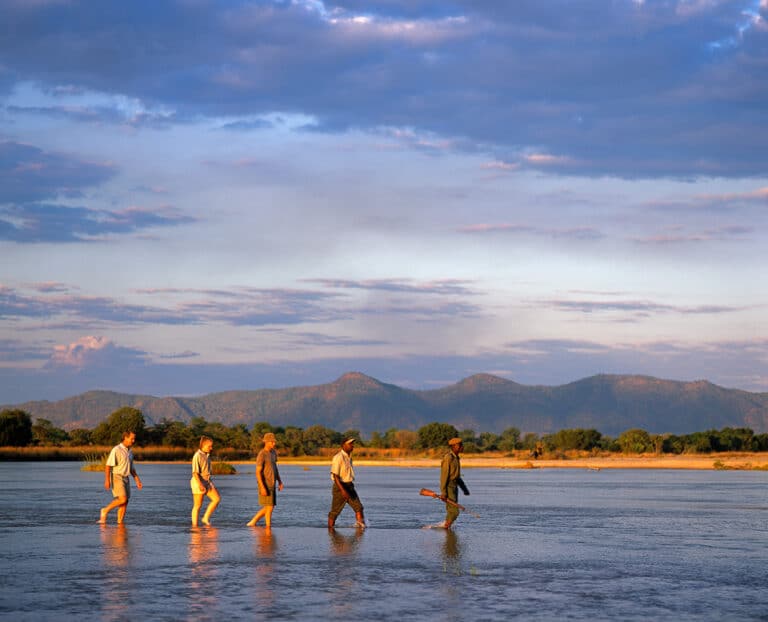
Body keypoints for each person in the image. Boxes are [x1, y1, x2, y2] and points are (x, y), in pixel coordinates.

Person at [99, 430, 142, 524]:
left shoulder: (130, 451)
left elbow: (131, 468)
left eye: (134, 439)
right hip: (116, 476)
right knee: (123, 499)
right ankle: (105, 510)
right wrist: (107, 480)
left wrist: (137, 480)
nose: (133, 441)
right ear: (125, 438)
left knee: (125, 503)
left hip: (126, 478)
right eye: (132, 439)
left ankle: (120, 524)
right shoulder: (116, 449)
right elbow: (108, 466)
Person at [247, 432, 284, 528]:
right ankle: (268, 527)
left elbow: (275, 468)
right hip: (265, 483)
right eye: (272, 442)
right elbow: (258, 472)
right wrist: (262, 487)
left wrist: (280, 481)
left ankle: (254, 522)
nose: (274, 444)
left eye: (274, 442)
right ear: (266, 442)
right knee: (269, 507)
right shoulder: (262, 454)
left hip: (273, 483)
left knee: (270, 506)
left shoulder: (273, 453)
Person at [328, 437, 366, 529]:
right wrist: (343, 491)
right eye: (350, 444)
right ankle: (330, 530)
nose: (352, 446)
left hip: (350, 486)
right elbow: (335, 476)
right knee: (334, 512)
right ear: (343, 445)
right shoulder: (338, 457)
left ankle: (360, 529)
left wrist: (347, 489)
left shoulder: (349, 457)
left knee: (359, 508)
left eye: (352, 444)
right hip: (340, 487)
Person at [440, 437, 469, 529]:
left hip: (454, 486)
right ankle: (446, 528)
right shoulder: (448, 458)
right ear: (455, 446)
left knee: (451, 512)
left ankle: (446, 528)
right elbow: (444, 476)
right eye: (460, 445)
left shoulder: (456, 458)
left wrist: (464, 489)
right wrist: (444, 492)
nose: (462, 447)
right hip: (448, 486)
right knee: (455, 511)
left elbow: (457, 476)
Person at [190, 435, 220, 527]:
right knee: (197, 505)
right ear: (203, 445)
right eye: (209, 446)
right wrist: (200, 484)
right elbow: (195, 473)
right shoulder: (197, 456)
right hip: (198, 482)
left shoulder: (207, 455)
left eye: (211, 446)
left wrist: (208, 482)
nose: (211, 448)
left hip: (207, 481)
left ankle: (205, 518)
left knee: (216, 499)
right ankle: (195, 526)